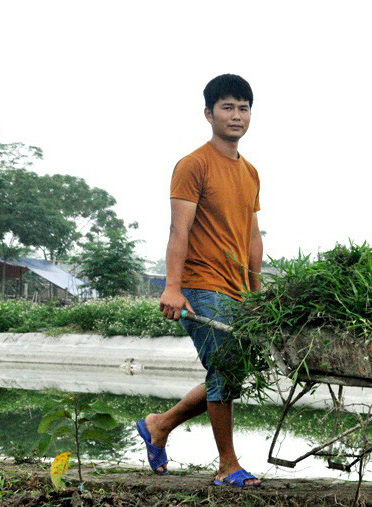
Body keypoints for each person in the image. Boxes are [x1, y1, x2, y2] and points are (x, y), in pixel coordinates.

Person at [136, 73, 263, 487]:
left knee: (228, 373)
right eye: (227, 107)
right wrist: (172, 286)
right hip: (199, 284)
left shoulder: (251, 172)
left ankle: (159, 425)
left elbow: (251, 234)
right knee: (224, 369)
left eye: (243, 108)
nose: (236, 115)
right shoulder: (193, 164)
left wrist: (257, 290)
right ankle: (228, 466)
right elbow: (179, 230)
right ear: (209, 114)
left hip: (237, 289)